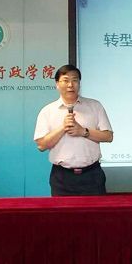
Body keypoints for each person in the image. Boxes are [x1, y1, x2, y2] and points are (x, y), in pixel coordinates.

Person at [34, 64, 113, 196]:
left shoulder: (95, 106)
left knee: (96, 210)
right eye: (65, 80)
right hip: (62, 177)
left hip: (92, 175)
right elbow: (41, 145)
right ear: (57, 84)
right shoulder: (47, 111)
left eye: (75, 80)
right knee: (62, 210)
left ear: (79, 84)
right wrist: (63, 127)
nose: (70, 85)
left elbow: (108, 136)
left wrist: (83, 131)